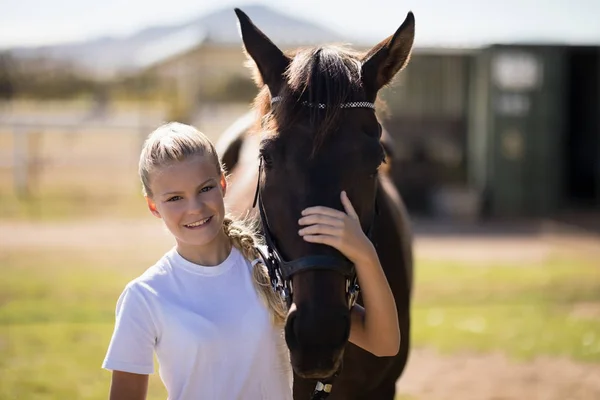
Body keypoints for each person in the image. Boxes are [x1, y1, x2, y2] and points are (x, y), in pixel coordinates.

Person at [102, 122, 400, 400]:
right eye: (175, 198)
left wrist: (364, 252)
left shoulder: (272, 270)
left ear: (222, 183)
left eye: (205, 189)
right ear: (154, 206)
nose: (194, 208)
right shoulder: (144, 297)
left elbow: (383, 343)